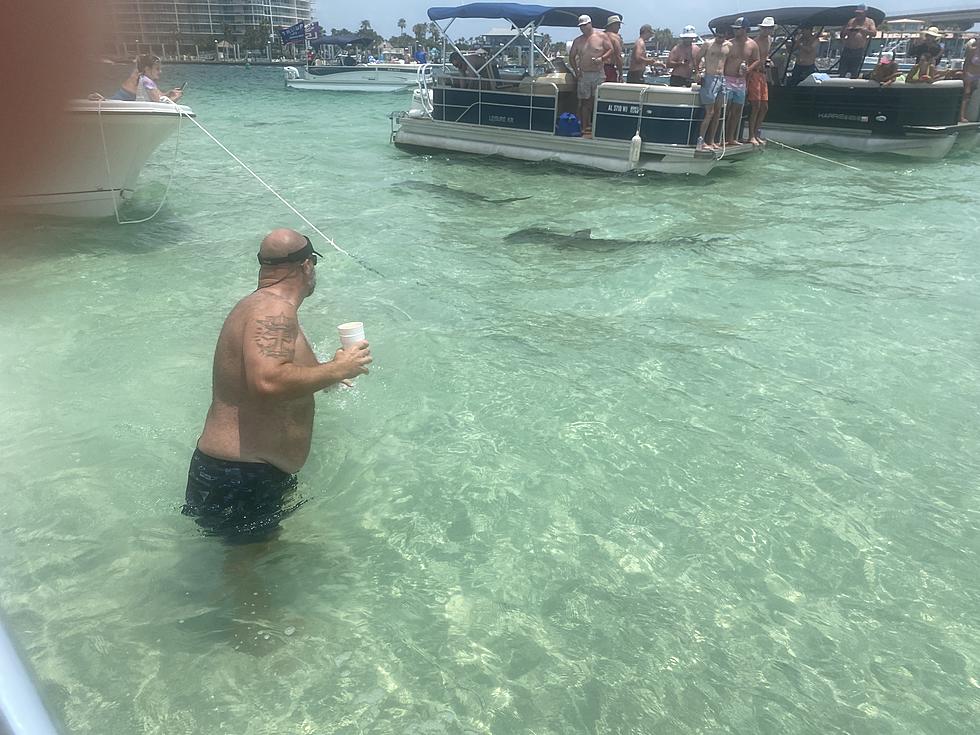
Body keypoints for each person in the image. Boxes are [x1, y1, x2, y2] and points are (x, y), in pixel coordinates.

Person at [183, 229, 373, 541]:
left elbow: (300, 378)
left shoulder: (261, 307)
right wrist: (338, 368)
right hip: (243, 475)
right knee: (247, 576)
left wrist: (336, 370)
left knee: (249, 569)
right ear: (307, 265)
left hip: (239, 471)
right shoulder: (274, 310)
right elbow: (268, 382)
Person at [569, 14, 613, 135]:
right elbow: (571, 57)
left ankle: (596, 126)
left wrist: (601, 58)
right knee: (585, 102)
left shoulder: (601, 36)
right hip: (584, 74)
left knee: (597, 100)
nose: (583, 28)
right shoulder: (578, 41)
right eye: (581, 26)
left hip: (598, 73)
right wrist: (576, 71)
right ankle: (584, 127)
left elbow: (610, 49)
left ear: (590, 24)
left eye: (584, 25)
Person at [723, 17, 759, 146]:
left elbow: (757, 59)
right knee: (725, 110)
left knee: (737, 111)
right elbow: (723, 61)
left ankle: (731, 137)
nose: (736, 31)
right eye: (735, 29)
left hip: (741, 81)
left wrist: (748, 69)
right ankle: (721, 138)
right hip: (727, 79)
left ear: (745, 29)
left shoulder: (752, 44)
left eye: (738, 29)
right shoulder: (729, 43)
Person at [695, 30, 731, 150]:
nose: (720, 38)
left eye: (722, 36)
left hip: (722, 79)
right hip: (710, 78)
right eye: (718, 36)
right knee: (709, 112)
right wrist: (698, 72)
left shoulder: (728, 46)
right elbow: (698, 57)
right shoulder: (708, 44)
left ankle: (711, 141)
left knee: (717, 112)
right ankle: (701, 140)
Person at [746, 16, 774, 145]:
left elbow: (765, 56)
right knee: (756, 105)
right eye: (764, 28)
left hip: (763, 75)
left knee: (765, 107)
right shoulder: (755, 42)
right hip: (754, 74)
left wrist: (768, 61)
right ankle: (751, 135)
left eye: (768, 28)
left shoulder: (769, 40)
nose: (766, 30)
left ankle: (756, 132)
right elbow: (749, 60)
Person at [839, 4, 876, 78]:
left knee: (854, 71)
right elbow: (842, 35)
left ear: (865, 13)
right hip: (847, 49)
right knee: (842, 70)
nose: (858, 14)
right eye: (857, 13)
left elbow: (874, 33)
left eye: (860, 13)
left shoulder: (870, 22)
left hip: (858, 50)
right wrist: (847, 31)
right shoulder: (851, 21)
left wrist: (863, 30)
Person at [960, 38, 980, 122]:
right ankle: (961, 116)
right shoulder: (972, 50)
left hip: (978, 76)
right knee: (966, 96)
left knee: (973, 96)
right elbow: (966, 63)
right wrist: (964, 75)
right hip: (969, 75)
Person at [603, 15, 625, 82]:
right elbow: (618, 56)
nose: (620, 27)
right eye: (618, 25)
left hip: (597, 68)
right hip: (609, 68)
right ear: (613, 25)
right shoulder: (615, 38)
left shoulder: (599, 36)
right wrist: (621, 74)